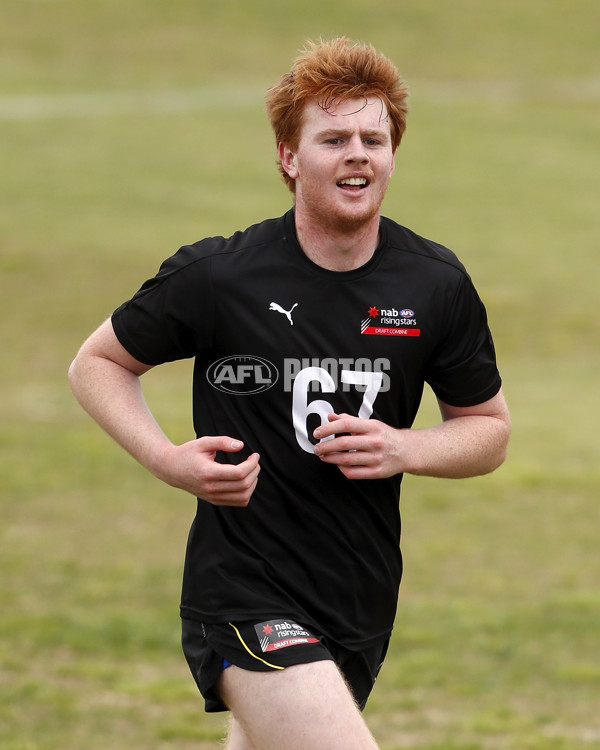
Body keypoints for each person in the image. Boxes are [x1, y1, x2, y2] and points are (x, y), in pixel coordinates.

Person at [68, 37, 511, 750]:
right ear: (288, 156)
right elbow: (97, 363)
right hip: (243, 589)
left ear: (394, 154)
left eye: (375, 137)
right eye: (333, 138)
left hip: (359, 594)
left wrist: (407, 446)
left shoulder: (434, 284)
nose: (358, 153)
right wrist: (166, 460)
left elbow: (488, 430)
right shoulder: (221, 276)